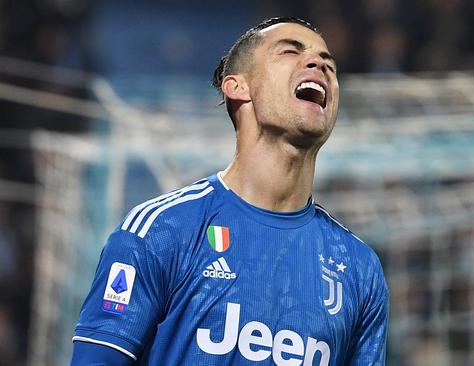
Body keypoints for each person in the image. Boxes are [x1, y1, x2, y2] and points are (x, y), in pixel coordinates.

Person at [70, 17, 389, 365]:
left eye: (329, 63)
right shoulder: (161, 231)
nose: (319, 65)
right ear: (237, 86)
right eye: (290, 52)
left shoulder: (358, 268)